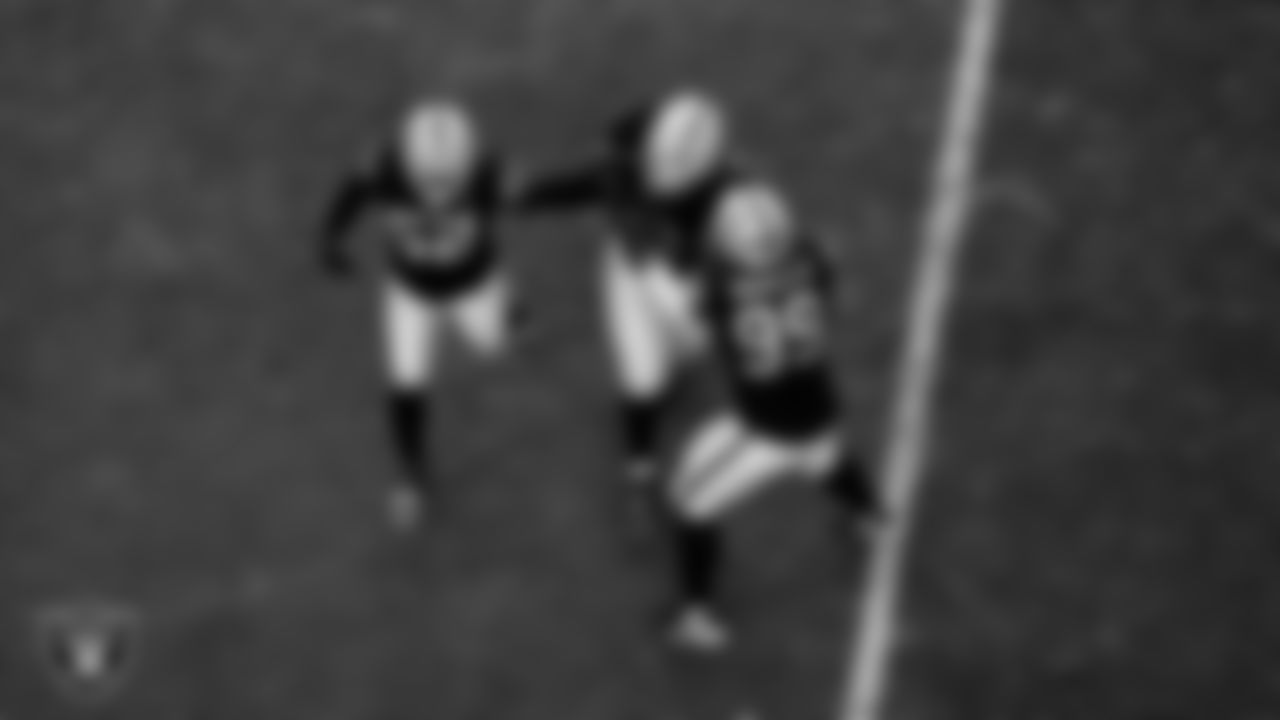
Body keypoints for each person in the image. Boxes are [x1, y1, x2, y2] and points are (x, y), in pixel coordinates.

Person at [662, 181, 881, 653]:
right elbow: (833, 290)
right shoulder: (813, 259)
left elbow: (694, 332)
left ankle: (695, 614)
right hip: (818, 402)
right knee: (826, 455)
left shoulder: (718, 290)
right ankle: (870, 517)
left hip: (766, 430)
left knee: (687, 503)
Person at [320, 98, 520, 531]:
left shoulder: (487, 171)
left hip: (474, 283)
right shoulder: (383, 166)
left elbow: (520, 198)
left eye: (450, 178)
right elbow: (350, 193)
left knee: (495, 346)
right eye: (431, 177)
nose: (439, 191)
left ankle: (509, 302)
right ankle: (412, 476)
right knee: (406, 383)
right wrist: (331, 238)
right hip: (409, 291)